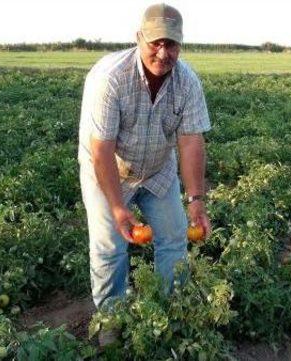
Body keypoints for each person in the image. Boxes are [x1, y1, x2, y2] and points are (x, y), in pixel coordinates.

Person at [77, 3, 212, 344]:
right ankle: (112, 319)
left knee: (174, 236)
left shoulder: (187, 82)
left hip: (157, 169)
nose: (163, 52)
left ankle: (170, 309)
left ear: (181, 44)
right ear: (139, 38)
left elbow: (191, 142)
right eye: (155, 43)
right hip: (109, 168)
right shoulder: (111, 79)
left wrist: (196, 200)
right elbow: (101, 150)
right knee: (110, 246)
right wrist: (119, 207)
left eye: (172, 44)